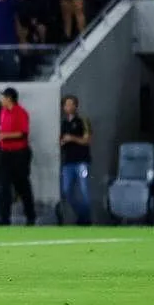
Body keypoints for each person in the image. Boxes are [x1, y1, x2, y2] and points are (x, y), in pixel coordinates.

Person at [0, 87, 36, 225]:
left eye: (3, 97)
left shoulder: (21, 112)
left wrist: (4, 136)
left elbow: (22, 133)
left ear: (9, 98)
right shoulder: (3, 112)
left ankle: (30, 216)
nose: (1, 100)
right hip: (5, 153)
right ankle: (4, 219)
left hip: (19, 153)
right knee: (3, 186)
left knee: (22, 185)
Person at [59, 95, 93, 225]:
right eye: (66, 105)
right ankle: (81, 214)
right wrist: (62, 142)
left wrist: (72, 138)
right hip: (68, 162)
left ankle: (86, 220)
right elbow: (61, 140)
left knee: (84, 190)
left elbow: (87, 140)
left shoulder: (83, 121)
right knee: (66, 191)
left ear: (75, 106)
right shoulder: (64, 123)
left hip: (82, 162)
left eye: (70, 104)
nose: (68, 107)